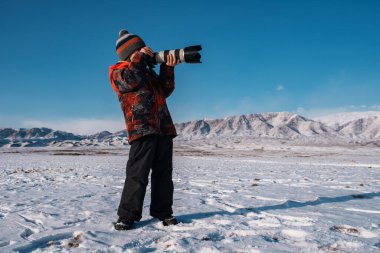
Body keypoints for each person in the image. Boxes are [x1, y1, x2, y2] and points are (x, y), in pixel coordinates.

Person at [109, 29, 179, 230]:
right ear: (130, 53)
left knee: (164, 176)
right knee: (137, 175)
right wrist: (138, 59)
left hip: (163, 129)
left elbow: (165, 91)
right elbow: (131, 80)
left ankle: (163, 212)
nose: (145, 52)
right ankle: (127, 216)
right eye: (139, 49)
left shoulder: (146, 73)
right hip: (141, 130)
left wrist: (168, 67)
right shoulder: (118, 71)